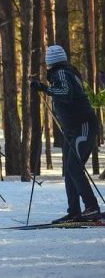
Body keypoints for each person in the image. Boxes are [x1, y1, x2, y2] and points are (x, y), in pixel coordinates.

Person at [31, 44, 101, 223]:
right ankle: (74, 211)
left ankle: (92, 208)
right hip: (72, 129)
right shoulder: (64, 72)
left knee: (74, 167)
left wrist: (44, 88)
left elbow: (66, 92)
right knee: (69, 170)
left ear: (50, 61)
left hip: (83, 126)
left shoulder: (61, 72)